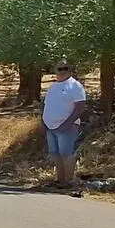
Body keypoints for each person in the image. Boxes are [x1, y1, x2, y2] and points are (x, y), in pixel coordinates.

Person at [42, 60, 88, 196]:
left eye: (65, 68)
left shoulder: (74, 86)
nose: (62, 71)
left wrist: (68, 123)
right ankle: (60, 180)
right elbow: (46, 105)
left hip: (67, 127)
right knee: (55, 153)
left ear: (70, 70)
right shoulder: (53, 87)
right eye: (59, 68)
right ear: (55, 70)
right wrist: (43, 122)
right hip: (51, 127)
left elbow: (80, 106)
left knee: (66, 153)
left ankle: (69, 181)